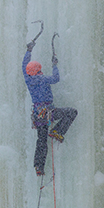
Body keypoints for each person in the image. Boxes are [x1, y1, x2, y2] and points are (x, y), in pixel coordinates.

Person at [23, 39, 77, 176]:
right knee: (71, 112)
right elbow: (56, 78)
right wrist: (54, 65)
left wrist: (29, 51)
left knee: (41, 140)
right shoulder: (43, 79)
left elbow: (24, 66)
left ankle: (38, 166)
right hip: (49, 112)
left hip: (38, 115)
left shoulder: (28, 80)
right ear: (38, 71)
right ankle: (57, 131)